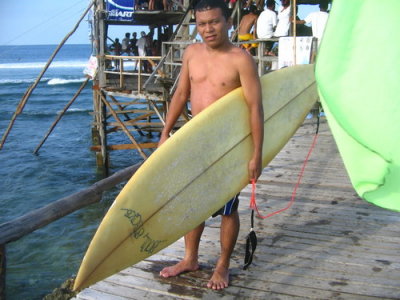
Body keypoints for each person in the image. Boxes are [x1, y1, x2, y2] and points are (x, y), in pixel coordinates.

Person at [158, 0, 264, 290]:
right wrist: (165, 133)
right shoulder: (191, 53)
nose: (208, 29)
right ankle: (190, 258)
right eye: (202, 24)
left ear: (228, 22)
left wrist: (257, 154)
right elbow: (181, 94)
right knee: (192, 204)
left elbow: (255, 108)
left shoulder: (241, 60)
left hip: (226, 147)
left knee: (227, 209)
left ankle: (222, 265)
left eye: (214, 22)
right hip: (194, 142)